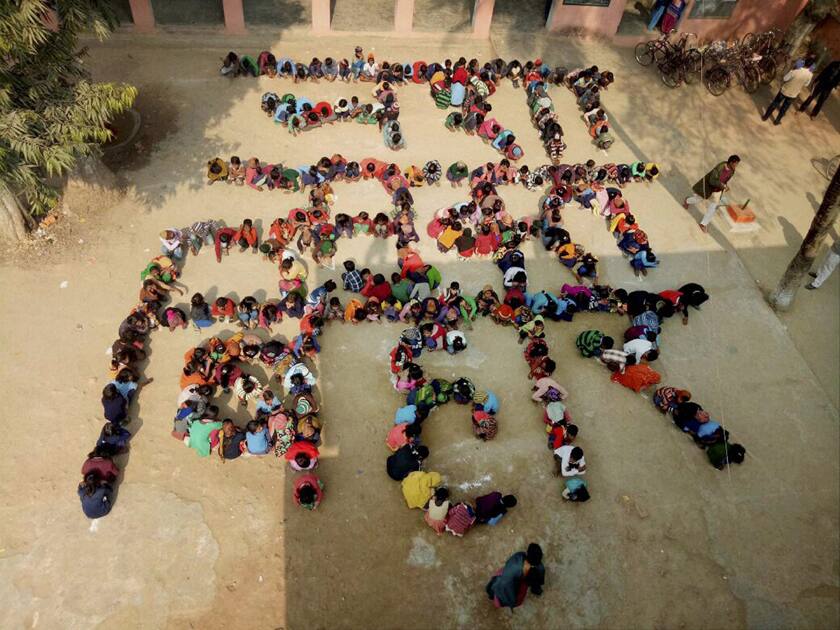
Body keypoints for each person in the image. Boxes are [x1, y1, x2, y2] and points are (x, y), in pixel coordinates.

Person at [684, 155, 740, 233]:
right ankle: (687, 200)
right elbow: (712, 180)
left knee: (712, 207)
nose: (736, 166)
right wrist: (723, 186)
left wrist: (725, 186)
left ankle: (703, 224)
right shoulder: (719, 168)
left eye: (737, 164)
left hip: (718, 190)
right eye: (735, 164)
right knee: (698, 199)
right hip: (709, 188)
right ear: (730, 162)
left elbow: (725, 180)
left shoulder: (732, 171)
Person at [485, 543, 545, 610]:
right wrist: (513, 602)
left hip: (507, 578)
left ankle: (535, 588)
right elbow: (506, 591)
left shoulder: (521, 555)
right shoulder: (511, 578)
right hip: (503, 584)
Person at [763, 57, 814, 125]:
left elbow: (785, 78)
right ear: (811, 66)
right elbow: (806, 84)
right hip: (793, 94)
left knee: (775, 103)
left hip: (784, 90)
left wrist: (792, 70)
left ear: (804, 62)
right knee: (784, 108)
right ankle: (777, 121)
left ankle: (765, 117)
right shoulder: (810, 75)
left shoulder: (795, 71)